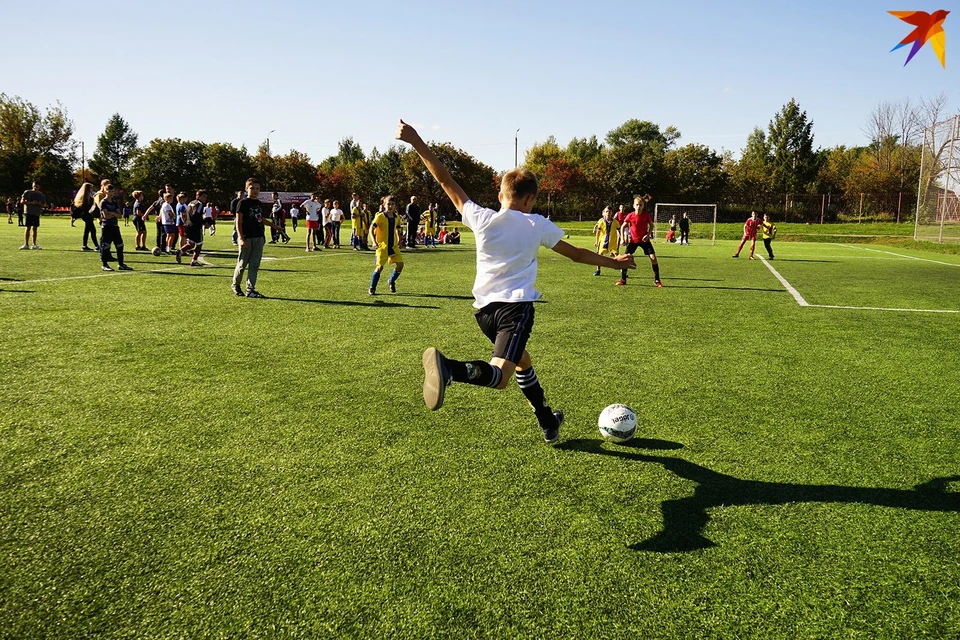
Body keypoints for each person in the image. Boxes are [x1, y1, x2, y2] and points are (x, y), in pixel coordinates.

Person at [397, 119, 636, 444]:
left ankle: (547, 420)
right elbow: (577, 254)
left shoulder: (481, 217)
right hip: (516, 309)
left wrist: (415, 140)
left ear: (500, 194)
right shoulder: (537, 224)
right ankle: (449, 369)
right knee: (500, 377)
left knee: (522, 360)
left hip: (483, 312)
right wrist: (614, 261)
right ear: (530, 199)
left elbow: (444, 177)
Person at [232, 177, 283, 298]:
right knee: (242, 264)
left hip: (259, 237)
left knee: (254, 264)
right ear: (246, 189)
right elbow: (238, 222)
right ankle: (236, 285)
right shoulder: (242, 203)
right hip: (247, 237)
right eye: (252, 188)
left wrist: (274, 226)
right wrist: (240, 238)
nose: (255, 190)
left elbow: (260, 219)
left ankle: (250, 290)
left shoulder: (259, 203)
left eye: (257, 188)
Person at [617, 195, 662, 287]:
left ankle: (657, 280)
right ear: (633, 205)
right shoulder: (630, 216)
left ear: (643, 206)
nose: (639, 206)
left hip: (644, 241)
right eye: (637, 205)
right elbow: (622, 227)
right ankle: (623, 279)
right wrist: (622, 238)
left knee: (653, 258)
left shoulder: (646, 215)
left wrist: (648, 235)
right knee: (625, 259)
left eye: (641, 205)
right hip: (633, 241)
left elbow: (651, 226)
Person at [368, 195, 405, 295]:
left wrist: (399, 240)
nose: (390, 206)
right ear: (384, 205)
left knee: (400, 265)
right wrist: (374, 241)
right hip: (382, 246)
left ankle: (391, 281)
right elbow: (371, 229)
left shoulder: (397, 217)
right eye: (388, 204)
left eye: (392, 204)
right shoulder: (380, 216)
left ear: (395, 206)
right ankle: (372, 287)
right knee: (380, 267)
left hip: (393, 246)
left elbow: (398, 229)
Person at [97, 184, 132, 271]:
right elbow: (105, 216)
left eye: (113, 191)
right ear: (105, 191)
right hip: (106, 227)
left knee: (120, 245)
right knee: (106, 246)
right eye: (109, 191)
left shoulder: (114, 202)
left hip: (115, 226)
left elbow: (120, 216)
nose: (111, 193)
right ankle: (105, 265)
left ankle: (121, 264)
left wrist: (112, 213)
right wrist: (113, 214)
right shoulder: (103, 202)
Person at [177, 190, 208, 266]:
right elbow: (195, 215)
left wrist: (186, 222)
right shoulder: (200, 204)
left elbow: (184, 213)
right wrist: (204, 222)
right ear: (198, 196)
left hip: (187, 225)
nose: (205, 199)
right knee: (199, 244)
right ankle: (194, 261)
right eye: (203, 196)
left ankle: (180, 251)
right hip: (195, 226)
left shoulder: (191, 203)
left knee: (191, 244)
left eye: (206, 197)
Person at [592, 206, 621, 276]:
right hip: (603, 242)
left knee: (617, 256)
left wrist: (621, 239)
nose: (608, 213)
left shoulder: (615, 222)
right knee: (599, 256)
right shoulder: (601, 221)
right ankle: (598, 270)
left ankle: (622, 271)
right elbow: (598, 232)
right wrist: (597, 242)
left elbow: (619, 231)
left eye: (609, 212)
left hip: (612, 242)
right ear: (603, 213)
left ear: (612, 213)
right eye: (606, 211)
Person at [19, 181, 45, 250]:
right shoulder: (27, 192)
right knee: (28, 228)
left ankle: (34, 244)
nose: (35, 188)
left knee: (35, 229)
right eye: (34, 186)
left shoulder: (41, 195)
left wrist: (39, 204)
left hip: (36, 213)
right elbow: (22, 201)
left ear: (39, 187)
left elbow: (43, 205)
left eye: (37, 186)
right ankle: (26, 244)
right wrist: (31, 203)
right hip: (28, 212)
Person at [73, 182, 98, 251]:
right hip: (87, 215)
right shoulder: (85, 197)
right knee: (93, 230)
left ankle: (84, 245)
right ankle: (97, 246)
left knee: (87, 230)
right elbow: (86, 207)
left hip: (86, 215)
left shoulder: (84, 197)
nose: (92, 189)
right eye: (91, 188)